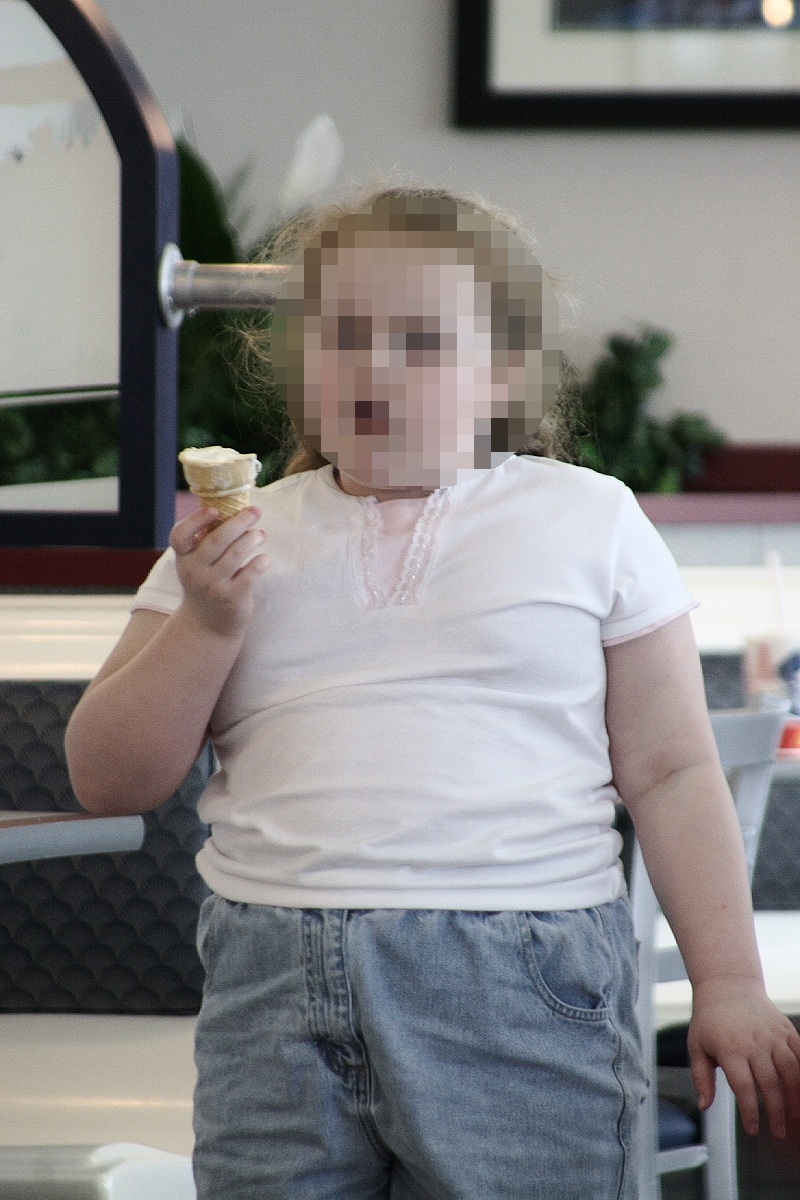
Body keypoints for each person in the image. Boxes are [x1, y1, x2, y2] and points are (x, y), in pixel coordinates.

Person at [65, 186, 800, 1200]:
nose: (373, 365)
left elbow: (671, 771)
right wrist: (207, 624)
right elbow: (108, 779)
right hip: (269, 985)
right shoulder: (231, 545)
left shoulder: (590, 520)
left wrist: (727, 983)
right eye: (342, 336)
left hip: (521, 978)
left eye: (418, 339)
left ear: (500, 374)